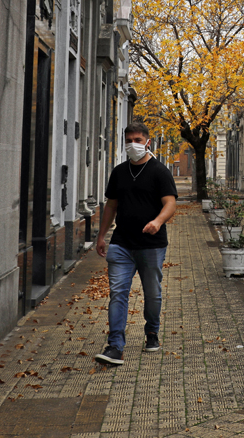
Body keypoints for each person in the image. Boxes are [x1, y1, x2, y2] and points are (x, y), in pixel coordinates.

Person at [95, 121, 177, 366]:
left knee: (152, 294)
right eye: (129, 140)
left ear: (147, 142)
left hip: (151, 245)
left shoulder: (159, 171)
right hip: (121, 243)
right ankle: (115, 347)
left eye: (138, 140)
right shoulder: (119, 172)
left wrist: (158, 221)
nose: (133, 144)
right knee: (118, 293)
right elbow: (111, 205)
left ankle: (151, 332)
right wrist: (102, 236)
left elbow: (170, 203)